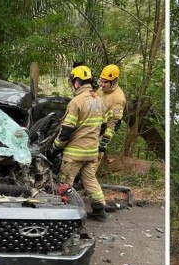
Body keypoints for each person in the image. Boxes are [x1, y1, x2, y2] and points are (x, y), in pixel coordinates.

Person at [52, 65, 108, 221]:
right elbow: (103, 127)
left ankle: (65, 213)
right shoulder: (100, 101)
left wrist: (56, 146)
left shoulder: (76, 102)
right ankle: (99, 210)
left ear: (76, 82)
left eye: (72, 82)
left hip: (74, 153)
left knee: (65, 182)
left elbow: (66, 131)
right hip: (92, 152)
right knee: (90, 180)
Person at [97, 64, 126, 163]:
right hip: (91, 129)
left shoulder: (118, 98)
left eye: (105, 82)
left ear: (114, 82)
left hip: (101, 134)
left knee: (89, 170)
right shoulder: (101, 90)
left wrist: (103, 143)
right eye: (101, 81)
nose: (102, 84)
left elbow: (114, 123)